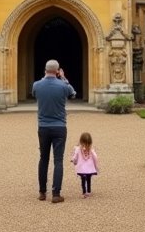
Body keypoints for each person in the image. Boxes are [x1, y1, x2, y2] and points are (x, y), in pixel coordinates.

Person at [32, 59, 76, 203]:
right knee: (58, 161)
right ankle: (56, 194)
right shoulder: (63, 85)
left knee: (43, 159)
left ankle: (42, 193)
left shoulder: (37, 85)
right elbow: (73, 93)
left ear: (45, 70)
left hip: (43, 127)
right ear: (57, 71)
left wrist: (45, 77)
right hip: (59, 127)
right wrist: (63, 77)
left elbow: (35, 93)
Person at [70, 132, 99, 198]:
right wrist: (96, 165)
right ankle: (88, 191)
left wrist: (74, 161)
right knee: (88, 179)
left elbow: (75, 157)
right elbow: (95, 157)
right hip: (89, 168)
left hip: (81, 169)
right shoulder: (91, 149)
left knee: (83, 180)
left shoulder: (78, 149)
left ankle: (84, 192)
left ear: (81, 141)